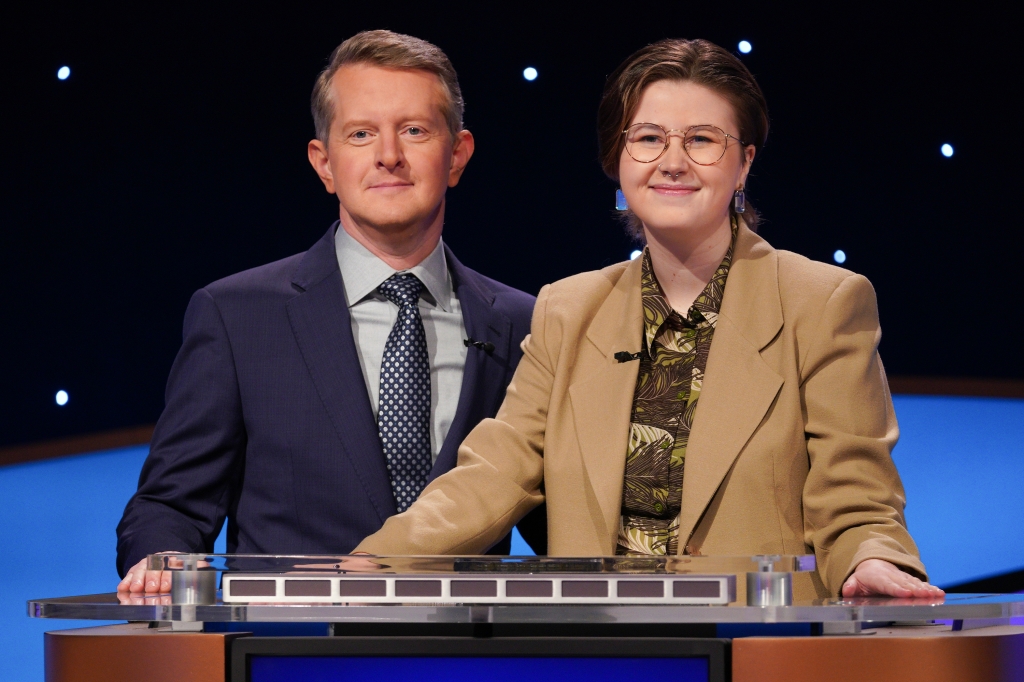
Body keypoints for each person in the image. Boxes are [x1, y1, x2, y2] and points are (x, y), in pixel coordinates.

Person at [354, 38, 944, 599]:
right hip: (604, 651)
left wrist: (873, 560)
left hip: (755, 649)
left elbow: (856, 496)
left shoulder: (822, 302)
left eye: (703, 140)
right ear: (619, 160)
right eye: (649, 138)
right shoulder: (569, 309)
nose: (673, 161)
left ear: (743, 164)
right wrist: (363, 566)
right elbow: (493, 476)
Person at [116, 30, 543, 594]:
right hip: (290, 653)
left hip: (465, 655)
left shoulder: (524, 322)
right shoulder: (237, 316)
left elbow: (556, 520)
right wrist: (161, 561)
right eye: (361, 134)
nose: (389, 155)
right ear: (324, 163)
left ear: (457, 154)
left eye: (414, 131)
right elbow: (171, 502)